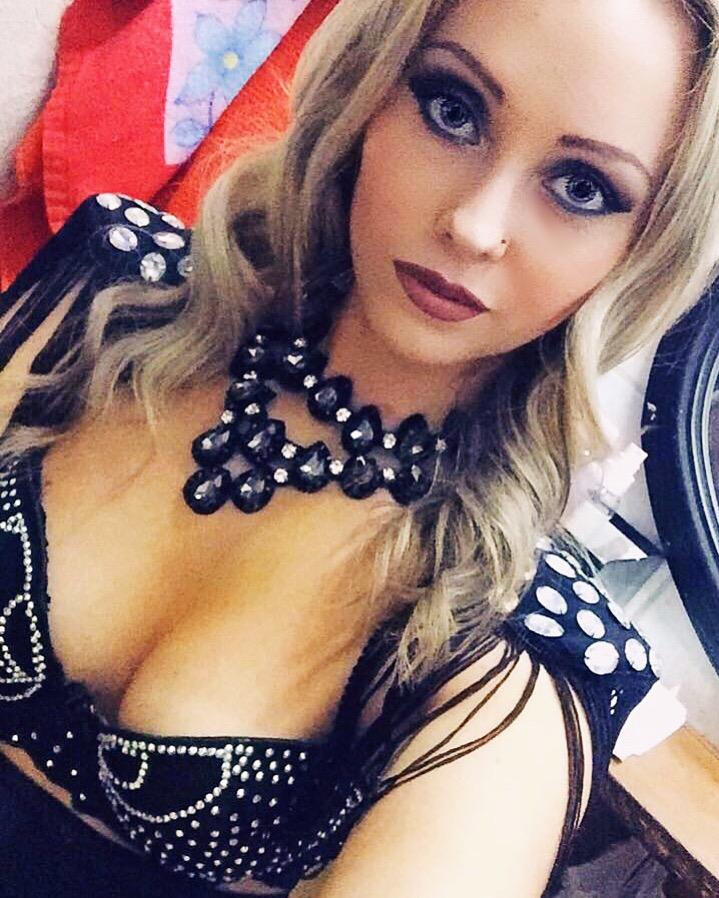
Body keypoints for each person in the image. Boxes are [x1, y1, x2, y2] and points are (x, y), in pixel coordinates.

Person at [0, 0, 716, 896]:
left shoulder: (508, 664)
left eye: (581, 189)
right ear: (371, 88)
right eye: (452, 109)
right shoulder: (108, 299)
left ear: (642, 253)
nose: (474, 224)